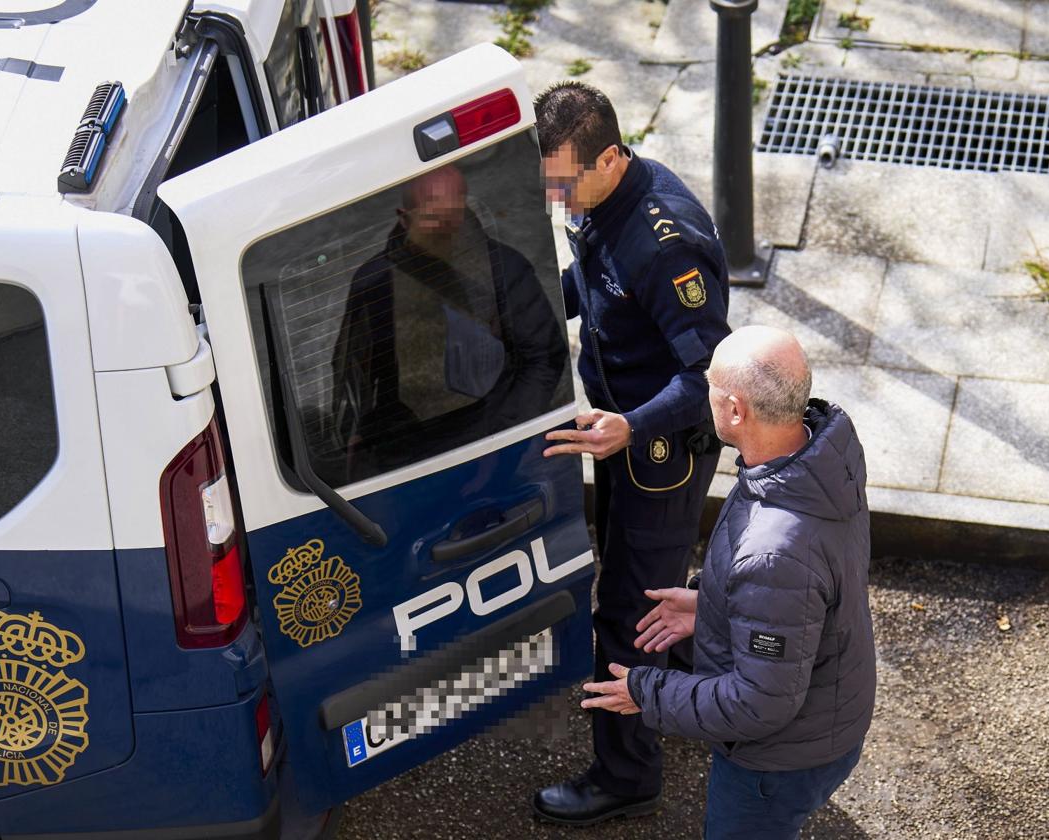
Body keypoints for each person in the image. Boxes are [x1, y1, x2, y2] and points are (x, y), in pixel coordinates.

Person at [582, 326, 877, 840]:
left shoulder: (773, 552)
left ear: (736, 411)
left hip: (777, 763)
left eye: (710, 388)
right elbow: (808, 592)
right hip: (831, 714)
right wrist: (712, 604)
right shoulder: (821, 459)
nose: (703, 395)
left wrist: (647, 692)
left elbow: (759, 704)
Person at [532, 81, 731, 825]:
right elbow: (594, 285)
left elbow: (709, 375)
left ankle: (626, 772)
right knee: (642, 577)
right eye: (549, 183)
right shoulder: (595, 203)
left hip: (661, 446)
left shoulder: (662, 242)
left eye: (565, 183)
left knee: (627, 608)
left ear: (611, 157)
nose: (558, 200)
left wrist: (631, 425)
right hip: (620, 430)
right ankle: (687, 671)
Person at [331, 164, 567, 479]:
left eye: (452, 218)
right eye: (433, 220)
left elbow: (544, 357)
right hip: (401, 458)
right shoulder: (373, 284)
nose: (446, 230)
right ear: (404, 217)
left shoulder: (504, 270)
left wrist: (507, 436)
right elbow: (350, 372)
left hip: (489, 442)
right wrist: (356, 440)